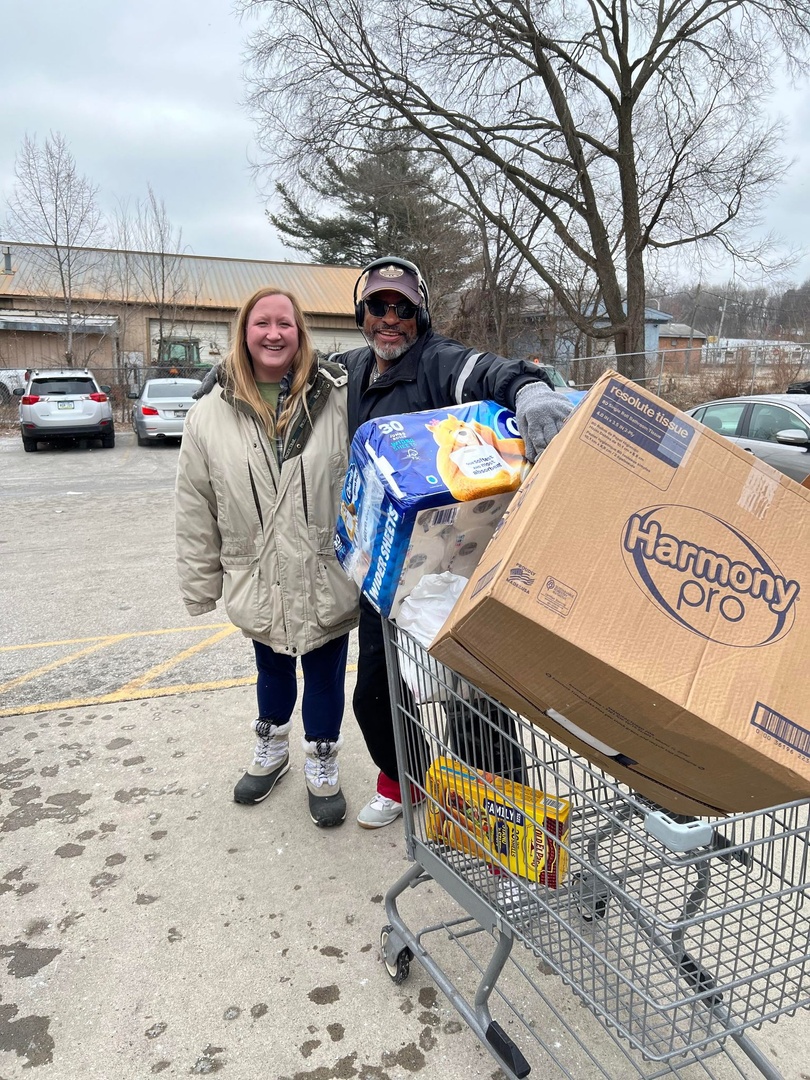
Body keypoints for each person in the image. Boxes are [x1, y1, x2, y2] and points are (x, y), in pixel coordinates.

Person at [332, 256, 573, 829]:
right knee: (374, 695)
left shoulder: (440, 364)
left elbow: (500, 373)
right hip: (386, 568)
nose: (390, 319)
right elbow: (292, 370)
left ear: (421, 313)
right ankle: (405, 781)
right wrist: (235, 378)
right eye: (377, 307)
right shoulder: (354, 370)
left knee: (473, 705)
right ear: (361, 315)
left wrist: (532, 394)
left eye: (403, 308)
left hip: (452, 571)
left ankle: (506, 818)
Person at [175, 286, 359, 829]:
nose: (274, 333)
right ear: (244, 333)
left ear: (301, 332)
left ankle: (323, 758)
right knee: (272, 669)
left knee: (325, 673)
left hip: (326, 572)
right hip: (258, 575)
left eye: (285, 323)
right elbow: (194, 505)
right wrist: (199, 584)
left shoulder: (339, 399)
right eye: (262, 323)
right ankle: (273, 747)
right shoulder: (208, 415)